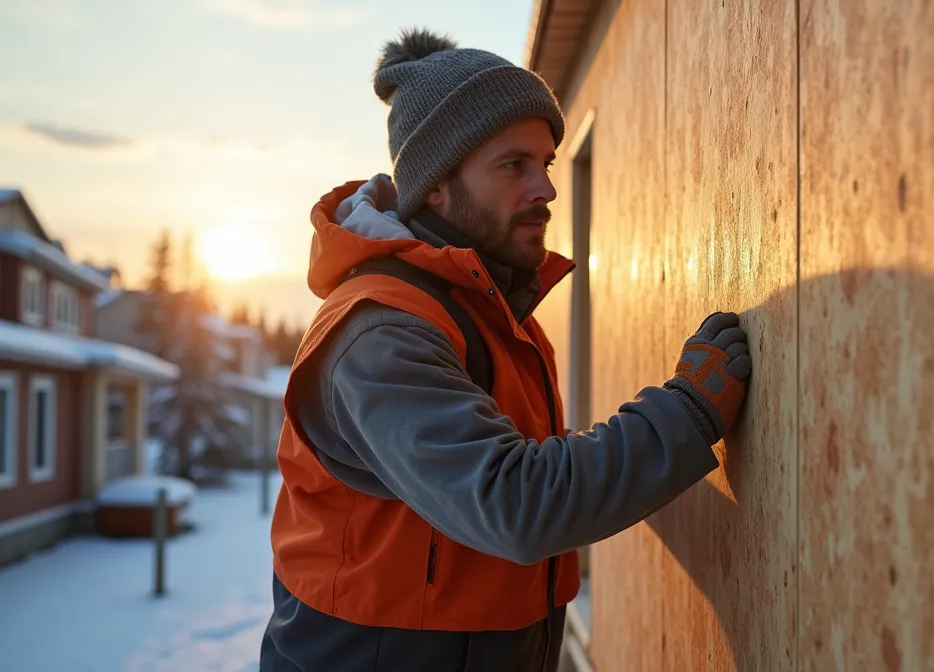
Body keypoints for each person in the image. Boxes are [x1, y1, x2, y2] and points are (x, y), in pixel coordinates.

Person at [259, 28, 753, 671]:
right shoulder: (383, 334)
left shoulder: (487, 310)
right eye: (512, 165)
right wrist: (686, 413)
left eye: (546, 164)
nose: (546, 190)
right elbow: (512, 502)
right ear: (434, 184)